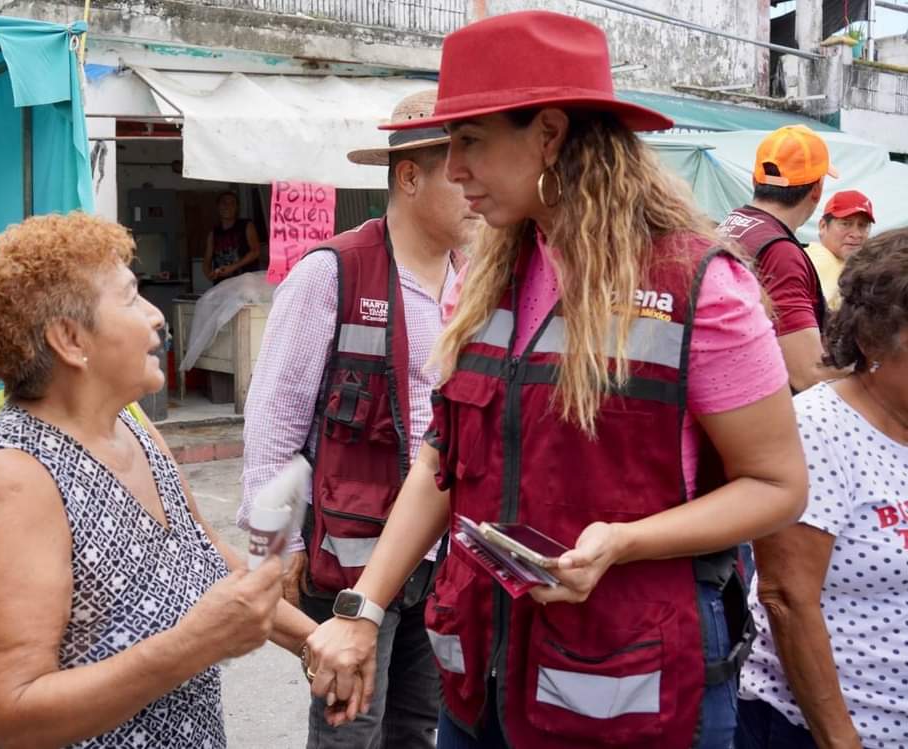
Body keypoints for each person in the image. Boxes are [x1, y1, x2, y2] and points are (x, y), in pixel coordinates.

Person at [304, 12, 808, 749]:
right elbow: (444, 460)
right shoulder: (486, 277)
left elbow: (778, 484)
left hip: (633, 696)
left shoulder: (700, 285)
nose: (454, 171)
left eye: (470, 142)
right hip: (482, 688)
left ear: (548, 133)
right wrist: (361, 609)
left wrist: (624, 541)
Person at [0, 212, 316, 748]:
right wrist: (192, 645)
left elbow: (208, 558)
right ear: (70, 339)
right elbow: (12, 713)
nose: (155, 317)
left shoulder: (133, 429)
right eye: (129, 298)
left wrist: (314, 641)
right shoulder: (14, 479)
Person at [238, 89, 480, 748]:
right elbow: (274, 422)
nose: (474, 187)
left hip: (440, 562)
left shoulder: (475, 281)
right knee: (349, 732)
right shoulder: (331, 273)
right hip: (347, 565)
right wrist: (274, 553)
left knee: (415, 728)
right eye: (458, 172)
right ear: (409, 176)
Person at [736, 229, 908, 749]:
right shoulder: (819, 430)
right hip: (823, 729)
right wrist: (840, 741)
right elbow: (787, 597)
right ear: (873, 339)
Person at [718, 126, 839, 392]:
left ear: (755, 180)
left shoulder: (731, 224)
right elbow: (808, 374)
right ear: (817, 190)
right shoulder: (780, 253)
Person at [804, 189, 875, 311]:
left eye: (862, 225)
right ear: (823, 226)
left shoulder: (851, 264)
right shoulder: (820, 259)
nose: (856, 234)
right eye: (846, 224)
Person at [203, 190, 262, 283]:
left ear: (237, 208)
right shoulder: (213, 233)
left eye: (232, 203)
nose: (227, 206)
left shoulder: (246, 225)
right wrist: (209, 274)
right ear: (218, 207)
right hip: (222, 284)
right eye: (224, 203)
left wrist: (233, 267)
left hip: (245, 283)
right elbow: (207, 260)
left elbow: (255, 251)